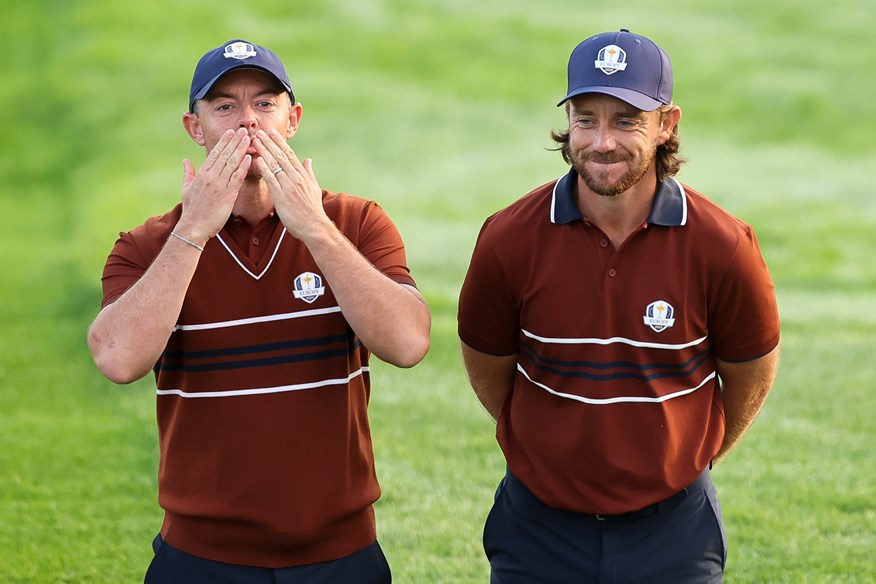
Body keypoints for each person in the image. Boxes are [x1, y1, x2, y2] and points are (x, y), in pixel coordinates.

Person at [87, 39, 430, 582]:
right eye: (224, 106)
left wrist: (316, 229)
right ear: (194, 128)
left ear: (292, 119)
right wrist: (193, 230)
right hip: (200, 559)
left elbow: (409, 344)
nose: (248, 121)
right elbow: (117, 360)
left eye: (265, 104)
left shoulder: (357, 223)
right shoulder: (146, 245)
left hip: (341, 556)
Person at [457, 29, 780, 583]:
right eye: (586, 118)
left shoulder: (724, 247)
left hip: (675, 531)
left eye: (626, 120)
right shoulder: (507, 239)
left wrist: (685, 456)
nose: (602, 141)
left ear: (666, 125)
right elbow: (490, 368)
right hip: (537, 529)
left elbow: (749, 375)